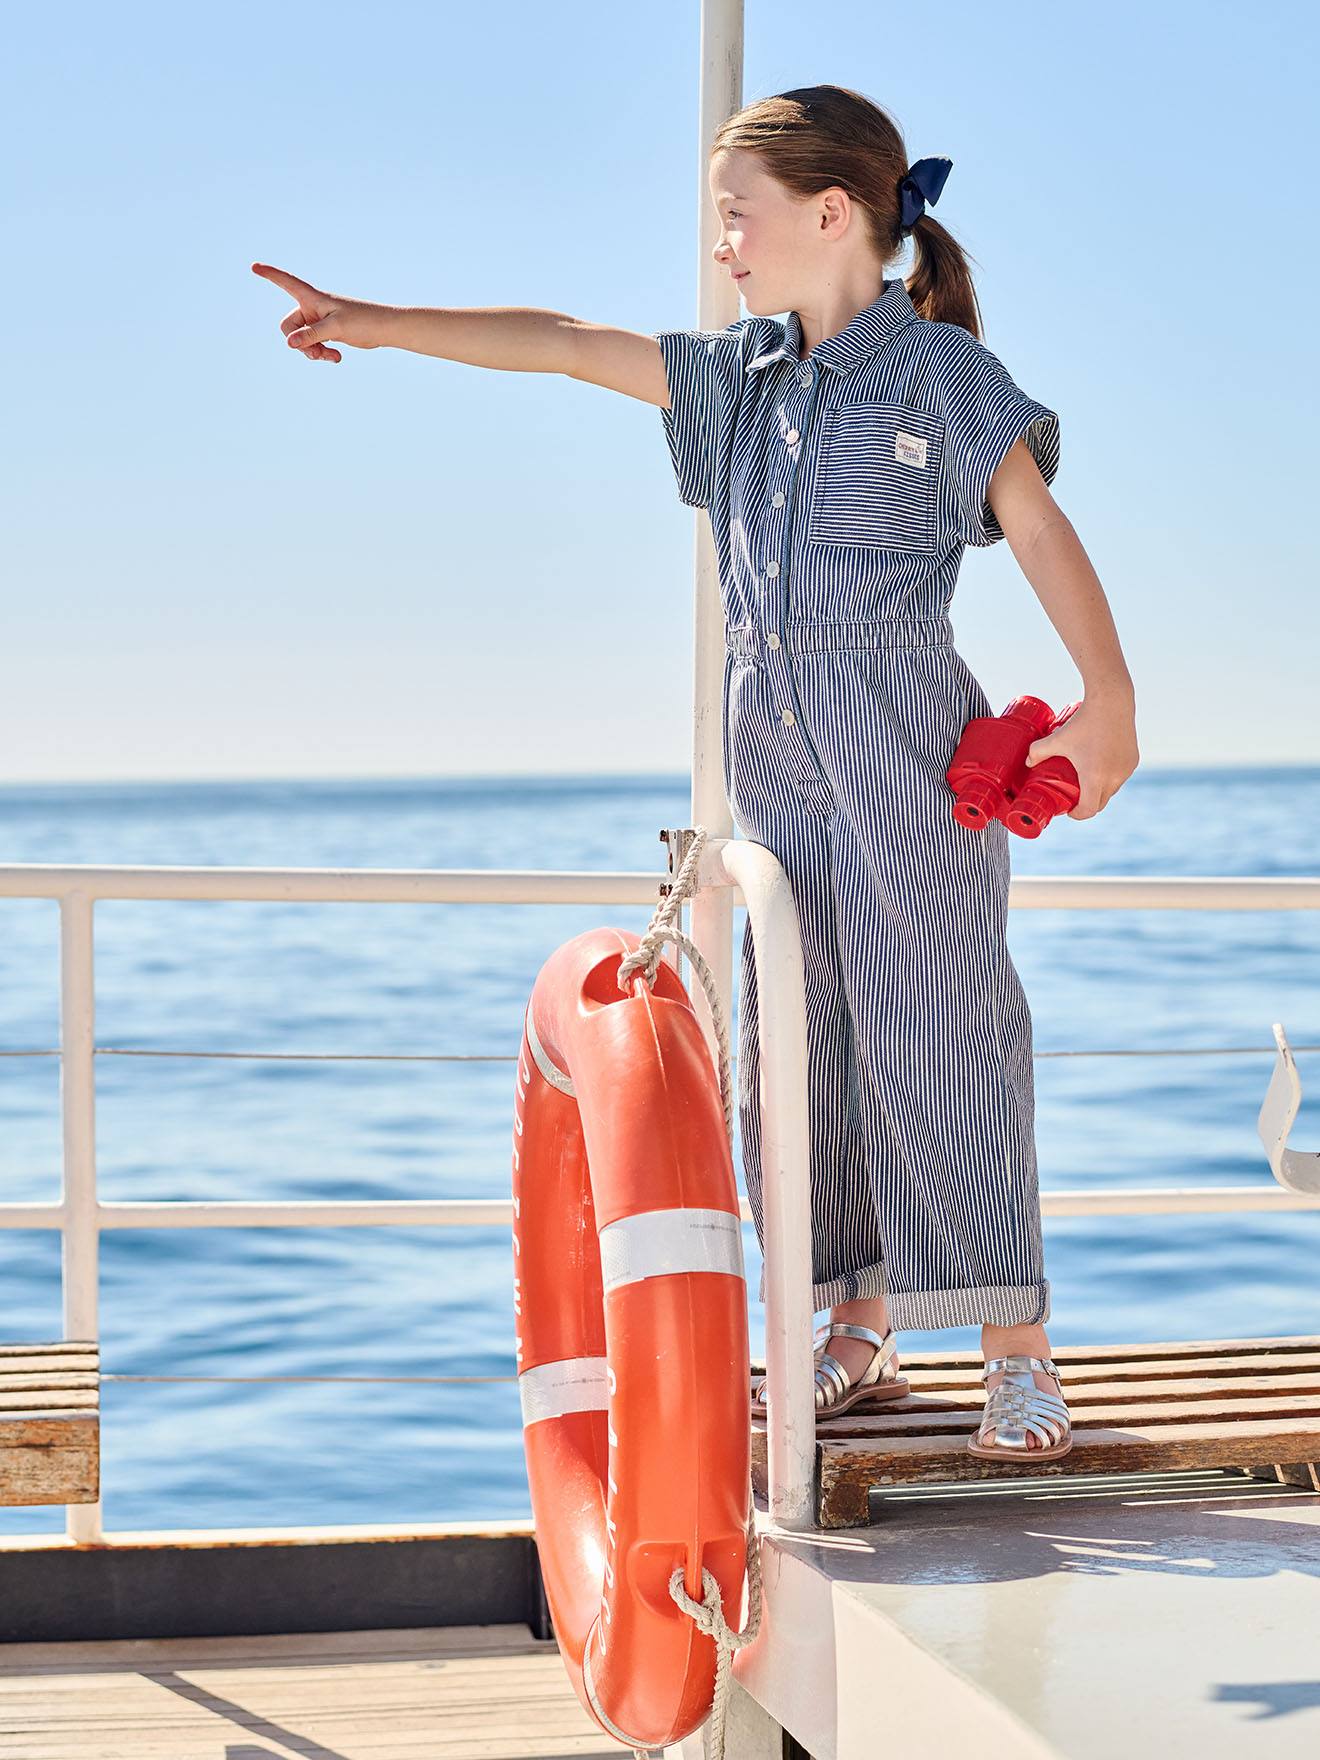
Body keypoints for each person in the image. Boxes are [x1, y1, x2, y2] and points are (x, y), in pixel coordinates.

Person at [252, 83, 1139, 1461]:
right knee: (797, 1052)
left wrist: (1111, 698)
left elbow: (1034, 521)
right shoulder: (739, 382)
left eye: (741, 214)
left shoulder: (946, 374)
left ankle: (1017, 1354)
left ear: (833, 214)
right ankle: (857, 1330)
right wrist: (371, 322)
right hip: (773, 759)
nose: (723, 241)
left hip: (905, 744)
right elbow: (558, 343)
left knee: (947, 1037)